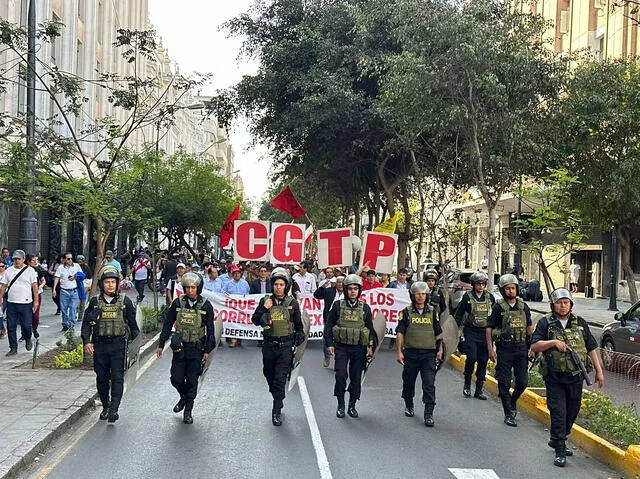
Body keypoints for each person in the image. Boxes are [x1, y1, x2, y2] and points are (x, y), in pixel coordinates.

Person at [530, 288, 604, 467]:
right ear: (553, 305)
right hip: (554, 377)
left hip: (576, 378)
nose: (563, 306)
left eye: (566, 302)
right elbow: (535, 345)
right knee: (559, 413)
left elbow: (591, 347)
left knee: (572, 411)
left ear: (571, 304)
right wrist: (553, 342)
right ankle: (560, 449)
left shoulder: (580, 323)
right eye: (559, 303)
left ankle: (559, 438)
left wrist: (599, 371)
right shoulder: (546, 323)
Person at [81, 265, 139, 423]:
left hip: (118, 345)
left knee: (117, 377)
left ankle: (114, 409)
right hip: (100, 345)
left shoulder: (125, 302)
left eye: (113, 282)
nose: (110, 285)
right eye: (107, 282)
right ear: (102, 284)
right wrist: (86, 342)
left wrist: (134, 349)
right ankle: (106, 406)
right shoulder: (94, 302)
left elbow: (134, 326)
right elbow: (86, 324)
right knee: (101, 378)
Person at [156, 272, 215, 424]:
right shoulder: (177, 304)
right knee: (175, 378)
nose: (190, 291)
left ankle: (188, 410)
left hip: (197, 348)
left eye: (193, 288)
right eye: (187, 288)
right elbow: (168, 324)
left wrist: (207, 351)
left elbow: (210, 331)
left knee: (192, 381)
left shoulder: (206, 306)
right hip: (180, 348)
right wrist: (161, 345)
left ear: (198, 288)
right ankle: (183, 396)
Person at [251, 268, 305, 426]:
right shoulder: (265, 301)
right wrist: (264, 308)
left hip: (285, 347)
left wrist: (298, 339)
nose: (278, 287)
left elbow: (299, 326)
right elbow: (255, 320)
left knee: (280, 379)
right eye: (276, 284)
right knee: (269, 374)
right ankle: (276, 395)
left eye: (281, 284)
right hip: (269, 346)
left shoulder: (292, 303)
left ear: (286, 286)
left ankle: (276, 409)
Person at [324, 274, 376, 418]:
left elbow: (370, 329)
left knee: (355, 378)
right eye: (350, 288)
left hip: (359, 348)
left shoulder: (365, 308)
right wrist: (329, 344)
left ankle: (352, 405)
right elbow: (328, 326)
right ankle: (341, 404)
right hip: (341, 347)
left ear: (359, 290)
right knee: (340, 376)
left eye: (356, 289)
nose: (353, 291)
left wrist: (370, 347)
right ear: (346, 289)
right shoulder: (337, 306)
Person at [486, 273, 533, 427]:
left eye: (513, 288)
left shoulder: (523, 306)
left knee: (522, 382)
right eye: (508, 288)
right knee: (504, 382)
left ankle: (513, 402)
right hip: (505, 349)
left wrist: (532, 346)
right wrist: (490, 349)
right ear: (502, 290)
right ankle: (508, 413)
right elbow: (489, 328)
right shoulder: (498, 307)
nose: (511, 291)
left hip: (521, 349)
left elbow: (528, 327)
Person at [395, 281, 443, 426]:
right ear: (412, 295)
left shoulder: (433, 312)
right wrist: (399, 351)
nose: (421, 296)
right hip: (411, 354)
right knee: (408, 382)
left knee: (429, 384)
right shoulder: (406, 312)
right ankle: (409, 404)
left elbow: (438, 333)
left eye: (423, 294)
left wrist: (440, 349)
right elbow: (400, 332)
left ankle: (428, 413)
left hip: (429, 355)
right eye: (418, 294)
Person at [454, 271, 495, 399]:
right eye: (478, 284)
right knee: (471, 358)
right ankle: (467, 384)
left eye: (483, 284)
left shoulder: (490, 298)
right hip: (471, 331)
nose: (480, 286)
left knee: (483, 361)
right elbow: (459, 315)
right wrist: (456, 330)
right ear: (473, 284)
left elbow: (495, 316)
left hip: (485, 334)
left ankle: (479, 389)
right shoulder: (467, 297)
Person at [0, 250, 38, 355]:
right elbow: (4, 285)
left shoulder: (30, 271)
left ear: (23, 259)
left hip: (26, 303)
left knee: (26, 325)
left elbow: (34, 286)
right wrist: (0, 297)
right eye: (15, 259)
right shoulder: (9, 271)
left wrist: (36, 301)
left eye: (19, 259)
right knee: (11, 326)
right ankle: (13, 348)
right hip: (12, 302)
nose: (17, 261)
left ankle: (28, 338)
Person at [314, 274, 346, 367]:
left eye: (342, 282)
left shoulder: (348, 293)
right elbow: (316, 295)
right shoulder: (329, 291)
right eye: (339, 282)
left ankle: (338, 358)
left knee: (341, 339)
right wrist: (322, 288)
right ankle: (327, 357)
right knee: (326, 338)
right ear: (335, 283)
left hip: (342, 321)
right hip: (329, 319)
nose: (340, 284)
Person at [53, 253, 82, 331]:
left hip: (74, 290)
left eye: (71, 258)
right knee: (64, 309)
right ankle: (65, 324)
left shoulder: (76, 266)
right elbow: (57, 278)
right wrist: (54, 289)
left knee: (73, 308)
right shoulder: (60, 268)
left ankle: (71, 324)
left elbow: (82, 274)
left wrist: (75, 277)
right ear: (64, 259)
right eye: (68, 259)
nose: (70, 260)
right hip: (64, 291)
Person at [26, 255, 46, 339]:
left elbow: (43, 280)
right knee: (26, 314)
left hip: (36, 294)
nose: (35, 262)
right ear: (28, 261)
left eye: (35, 260)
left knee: (35, 314)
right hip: (26, 294)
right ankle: (25, 333)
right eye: (33, 261)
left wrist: (40, 286)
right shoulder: (24, 270)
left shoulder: (37, 269)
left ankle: (34, 329)